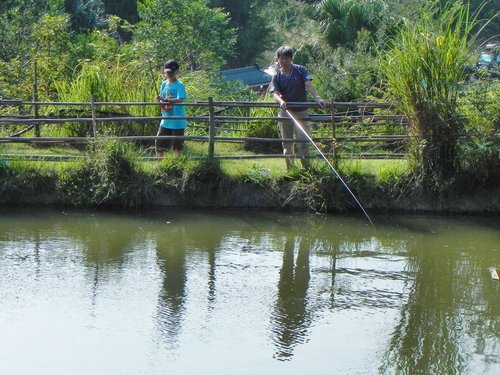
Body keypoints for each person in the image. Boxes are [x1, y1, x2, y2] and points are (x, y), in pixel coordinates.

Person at [268, 46, 328, 169]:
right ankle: (290, 169)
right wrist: (281, 101)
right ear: (277, 60)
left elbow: (308, 85)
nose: (284, 61)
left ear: (291, 59)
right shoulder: (277, 76)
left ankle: (307, 168)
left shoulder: (301, 70)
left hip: (301, 112)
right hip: (285, 113)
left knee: (303, 142)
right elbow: (275, 93)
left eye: (286, 58)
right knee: (287, 143)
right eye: (281, 59)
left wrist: (318, 98)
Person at [155, 59, 188, 158]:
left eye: (171, 72)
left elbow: (181, 99)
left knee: (177, 146)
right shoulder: (163, 84)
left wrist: (165, 100)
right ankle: (160, 164)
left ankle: (177, 165)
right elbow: (162, 98)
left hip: (177, 121)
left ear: (176, 72)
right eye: (167, 72)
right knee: (159, 143)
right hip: (165, 120)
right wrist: (161, 102)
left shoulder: (179, 85)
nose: (169, 74)